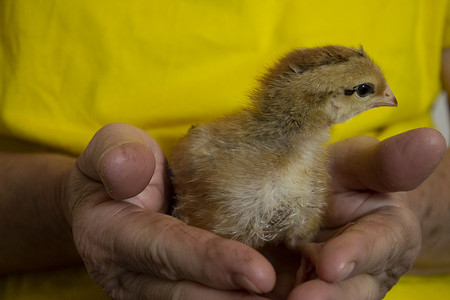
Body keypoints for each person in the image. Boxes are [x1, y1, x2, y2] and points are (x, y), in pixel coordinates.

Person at [1, 1, 450, 299]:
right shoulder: (220, 152)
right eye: (368, 91)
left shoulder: (304, 171)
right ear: (330, 102)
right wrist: (65, 206)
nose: (389, 97)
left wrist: (403, 204)